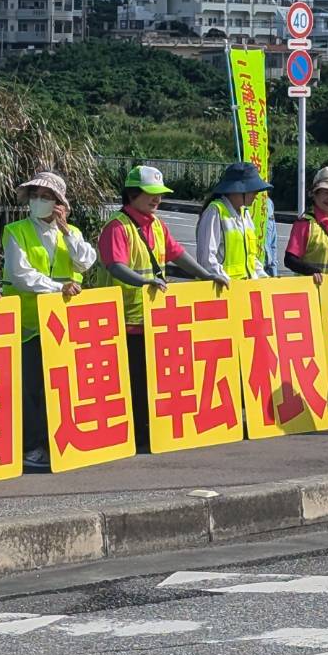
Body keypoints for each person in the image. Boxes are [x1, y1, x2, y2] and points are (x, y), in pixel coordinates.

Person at [95, 165, 222, 450]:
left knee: (153, 379)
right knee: (133, 380)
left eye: (159, 194)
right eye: (151, 194)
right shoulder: (117, 226)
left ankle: (151, 431)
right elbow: (115, 265)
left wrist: (205, 274)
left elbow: (178, 253)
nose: (157, 200)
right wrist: (143, 281)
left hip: (154, 318)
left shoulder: (156, 224)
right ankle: (135, 435)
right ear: (132, 193)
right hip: (123, 319)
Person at [2, 171, 98, 471]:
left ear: (60, 203)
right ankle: (31, 446)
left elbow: (85, 260)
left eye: (46, 197)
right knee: (30, 386)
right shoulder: (16, 230)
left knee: (60, 384)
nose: (38, 202)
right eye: (35, 196)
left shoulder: (70, 233)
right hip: (28, 322)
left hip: (64, 324)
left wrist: (66, 230)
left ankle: (59, 440)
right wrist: (59, 287)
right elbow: (21, 274)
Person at [195, 161, 273, 285]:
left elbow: (252, 259)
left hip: (245, 291)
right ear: (238, 190)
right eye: (253, 191)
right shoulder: (215, 212)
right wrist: (229, 283)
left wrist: (264, 279)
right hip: (224, 292)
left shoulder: (245, 214)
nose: (256, 195)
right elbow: (206, 260)